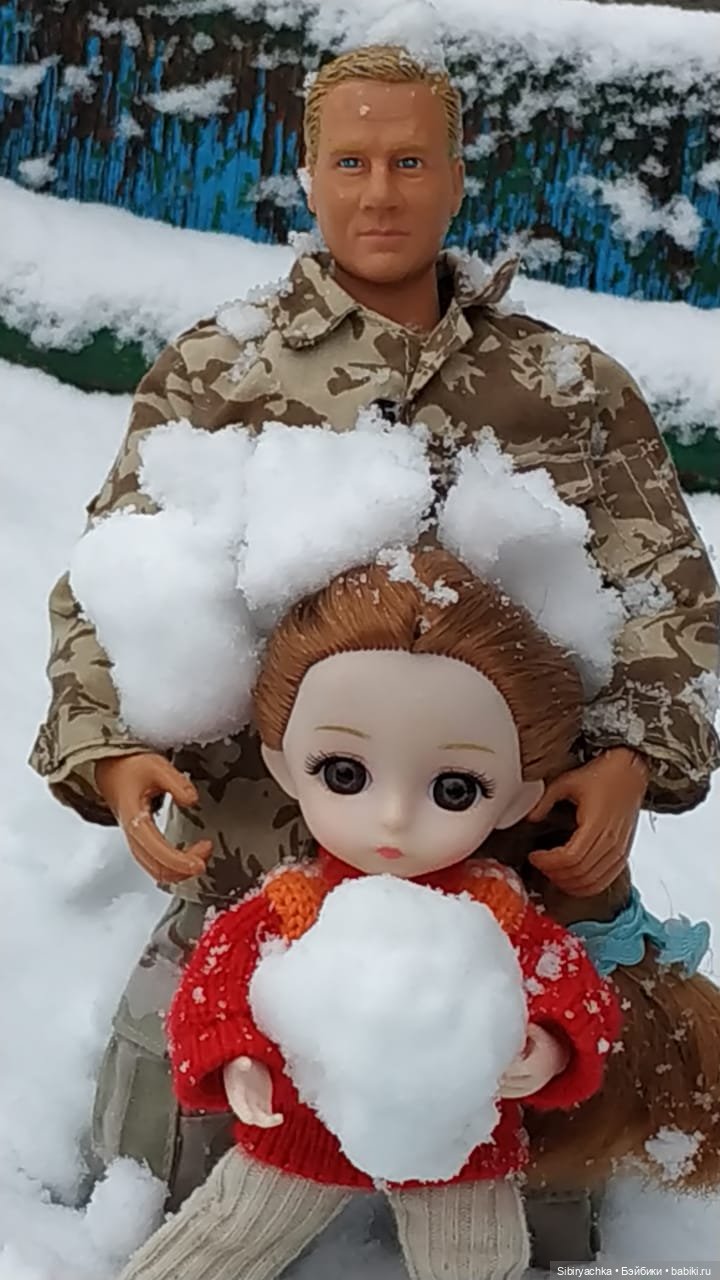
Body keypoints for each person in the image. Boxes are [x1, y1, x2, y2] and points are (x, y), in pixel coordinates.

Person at [29, 40, 720, 1261]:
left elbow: (667, 596)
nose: (380, 192)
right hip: (259, 858)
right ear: (307, 174)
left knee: (547, 1151)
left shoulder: (564, 384)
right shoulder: (224, 368)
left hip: (505, 873)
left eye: (410, 161)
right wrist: (111, 752)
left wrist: (632, 761)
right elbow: (115, 580)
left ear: (457, 176)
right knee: (157, 1140)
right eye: (350, 161)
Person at [115, 545, 623, 1280]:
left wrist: (548, 1047)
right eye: (344, 773)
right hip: (298, 1128)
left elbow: (578, 995)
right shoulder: (289, 905)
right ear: (285, 765)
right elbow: (213, 986)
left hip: (456, 1140)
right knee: (225, 1236)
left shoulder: (497, 915)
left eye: (455, 789)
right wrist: (238, 1059)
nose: (392, 819)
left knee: (477, 1258)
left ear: (517, 797)